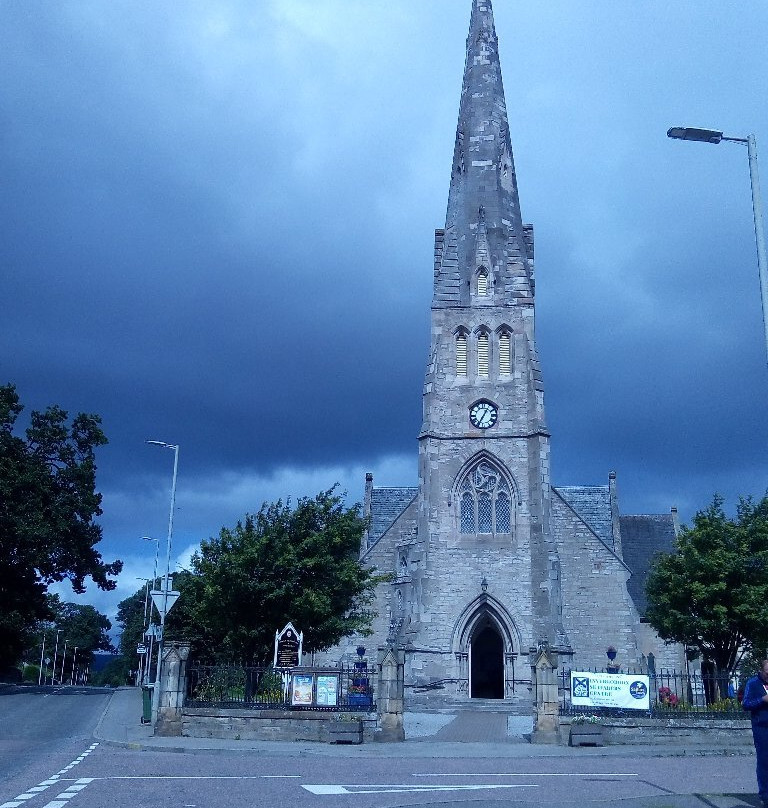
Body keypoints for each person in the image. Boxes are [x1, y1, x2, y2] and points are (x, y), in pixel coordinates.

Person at [743, 660, 768, 807]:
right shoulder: (752, 683)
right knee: (765, 761)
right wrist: (762, 700)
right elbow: (746, 704)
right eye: (767, 673)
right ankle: (765, 796)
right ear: (761, 670)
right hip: (762, 728)